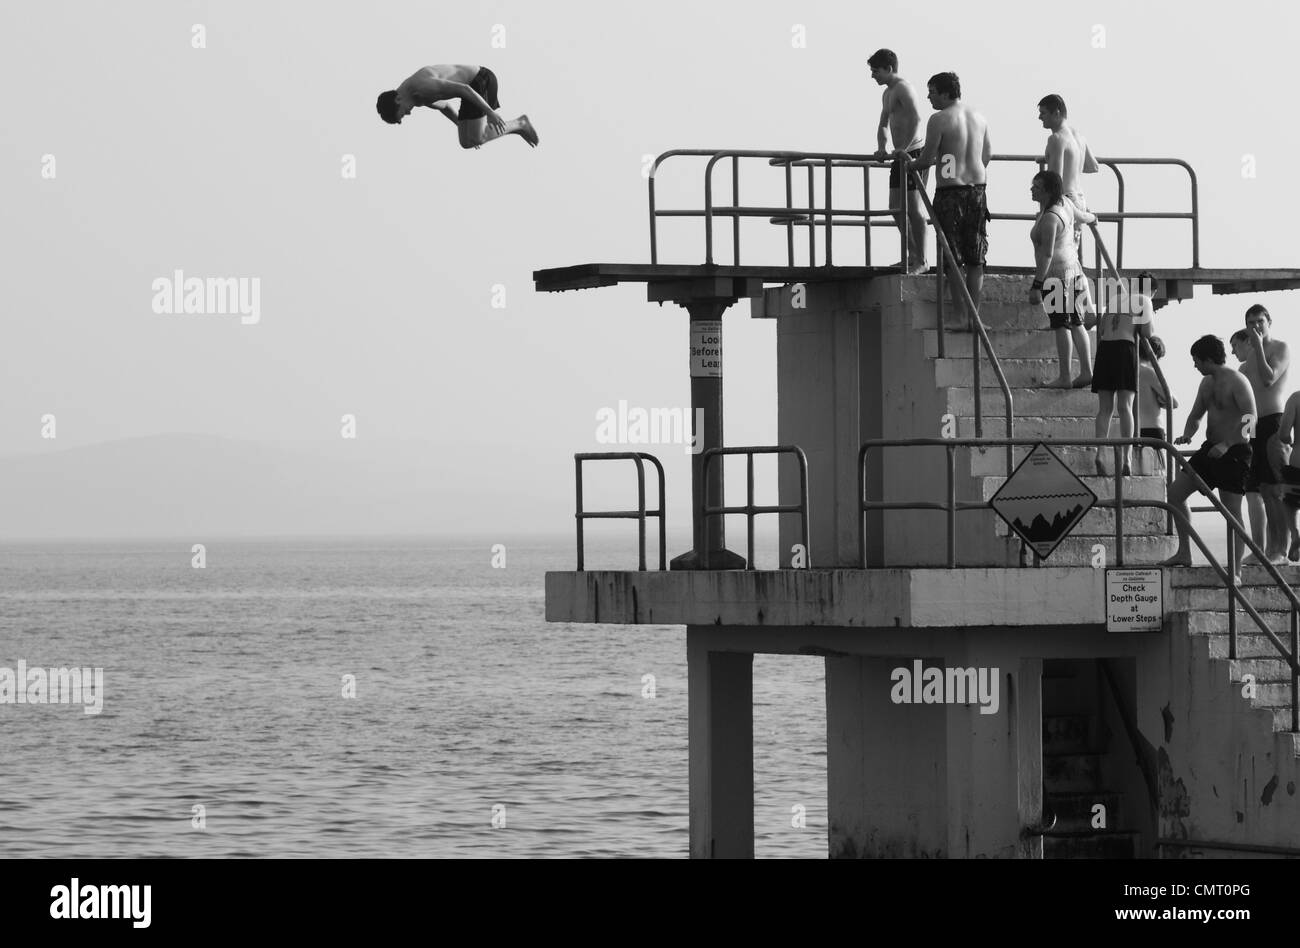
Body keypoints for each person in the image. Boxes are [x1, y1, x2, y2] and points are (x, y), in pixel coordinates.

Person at [1159, 335, 1256, 579]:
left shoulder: (1237, 381)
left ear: (1208, 359)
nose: (1194, 366)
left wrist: (1227, 443)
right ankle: (1184, 552)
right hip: (1209, 449)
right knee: (1174, 494)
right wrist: (1187, 434)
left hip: (1234, 451)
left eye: (1196, 361)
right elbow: (1195, 415)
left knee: (1231, 512)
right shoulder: (1206, 383)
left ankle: (1235, 571)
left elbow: (1251, 420)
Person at [908, 72, 991, 318]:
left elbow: (927, 158)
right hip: (978, 190)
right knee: (976, 259)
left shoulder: (939, 119)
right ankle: (975, 317)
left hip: (950, 193)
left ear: (945, 93)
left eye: (932, 92)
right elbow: (986, 155)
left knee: (953, 258)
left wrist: (909, 164)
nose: (928, 97)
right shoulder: (979, 117)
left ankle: (961, 316)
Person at [1028, 170, 1096, 389]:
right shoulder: (1065, 203)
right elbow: (1082, 215)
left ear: (1047, 191)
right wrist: (1094, 218)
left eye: (1036, 187)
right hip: (1074, 271)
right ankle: (1086, 371)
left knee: (1061, 325)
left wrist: (1037, 285)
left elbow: (1047, 255)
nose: (1031, 189)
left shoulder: (1049, 219)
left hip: (1056, 276)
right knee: (1077, 322)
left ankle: (1065, 377)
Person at [1237, 304, 1290, 564]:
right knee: (1262, 490)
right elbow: (1245, 407)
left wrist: (1258, 346)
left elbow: (1269, 379)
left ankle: (1281, 549)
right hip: (1254, 428)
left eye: (1259, 321)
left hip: (1274, 423)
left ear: (1269, 321)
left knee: (1277, 489)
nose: (1256, 326)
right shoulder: (1244, 367)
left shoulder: (1279, 348)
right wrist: (1243, 437)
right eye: (1251, 323)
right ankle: (1267, 551)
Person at [376, 65, 539, 148]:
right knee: (466, 142)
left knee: (477, 137)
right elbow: (445, 106)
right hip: (470, 90)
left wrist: (489, 112)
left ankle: (520, 124)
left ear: (398, 100)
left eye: (403, 113)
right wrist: (461, 126)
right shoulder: (417, 98)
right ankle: (516, 128)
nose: (408, 114)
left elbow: (464, 89)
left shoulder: (422, 86)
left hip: (481, 80)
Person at [1091, 268, 1155, 476]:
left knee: (1105, 409)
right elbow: (1147, 332)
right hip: (1124, 349)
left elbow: (1101, 330)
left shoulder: (1116, 298)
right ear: (1152, 291)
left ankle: (1101, 453)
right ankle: (1126, 457)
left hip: (1105, 350)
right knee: (1125, 407)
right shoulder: (1145, 300)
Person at [869, 49, 928, 273]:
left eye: (875, 71)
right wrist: (882, 148)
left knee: (914, 208)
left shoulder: (904, 87)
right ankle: (912, 255)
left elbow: (916, 118)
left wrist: (904, 147)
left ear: (888, 69)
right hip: (898, 155)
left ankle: (921, 260)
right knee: (895, 207)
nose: (872, 76)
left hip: (912, 153)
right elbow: (883, 123)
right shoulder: (886, 94)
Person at [1038, 95, 1099, 266]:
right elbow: (1093, 166)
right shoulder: (1078, 136)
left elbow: (1054, 181)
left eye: (1043, 113)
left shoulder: (1056, 139)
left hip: (1064, 200)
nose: (1040, 117)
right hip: (1079, 199)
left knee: (1058, 257)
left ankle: (1057, 291)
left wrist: (1045, 212)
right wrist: (1072, 165)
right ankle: (1072, 291)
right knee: (1071, 256)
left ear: (1056, 113)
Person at [1137, 335, 1178, 473]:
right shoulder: (1149, 371)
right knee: (1157, 478)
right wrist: (1161, 401)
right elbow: (1174, 402)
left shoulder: (1127, 370)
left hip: (1132, 430)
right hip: (1153, 430)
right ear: (1155, 355)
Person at [1275, 389, 1300, 561]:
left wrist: (1290, 442)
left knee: (1290, 501)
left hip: (1298, 461)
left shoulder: (1296, 398)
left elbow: (1283, 434)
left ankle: (1295, 533)